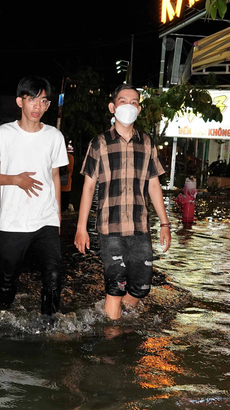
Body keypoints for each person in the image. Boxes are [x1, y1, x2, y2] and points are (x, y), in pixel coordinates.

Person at [74, 83, 172, 320]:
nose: (129, 105)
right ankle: (112, 340)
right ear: (112, 107)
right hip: (110, 228)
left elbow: (153, 185)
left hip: (140, 227)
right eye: (123, 101)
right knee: (116, 287)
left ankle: (110, 316)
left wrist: (165, 224)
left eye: (134, 102)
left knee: (142, 287)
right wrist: (81, 228)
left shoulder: (147, 143)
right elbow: (88, 187)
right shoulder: (99, 143)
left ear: (139, 109)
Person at [0, 76, 69, 316]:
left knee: (53, 277)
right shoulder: (3, 133)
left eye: (43, 101)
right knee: (9, 279)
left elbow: (55, 177)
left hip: (46, 219)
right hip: (14, 220)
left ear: (48, 105)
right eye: (32, 99)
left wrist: (58, 217)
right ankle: (3, 315)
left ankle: (48, 327)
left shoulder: (54, 137)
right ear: (20, 101)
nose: (37, 106)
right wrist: (16, 179)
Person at [60, 141, 75, 211]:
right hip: (66, 185)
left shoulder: (55, 156)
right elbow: (70, 170)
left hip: (55, 185)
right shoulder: (70, 157)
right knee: (64, 204)